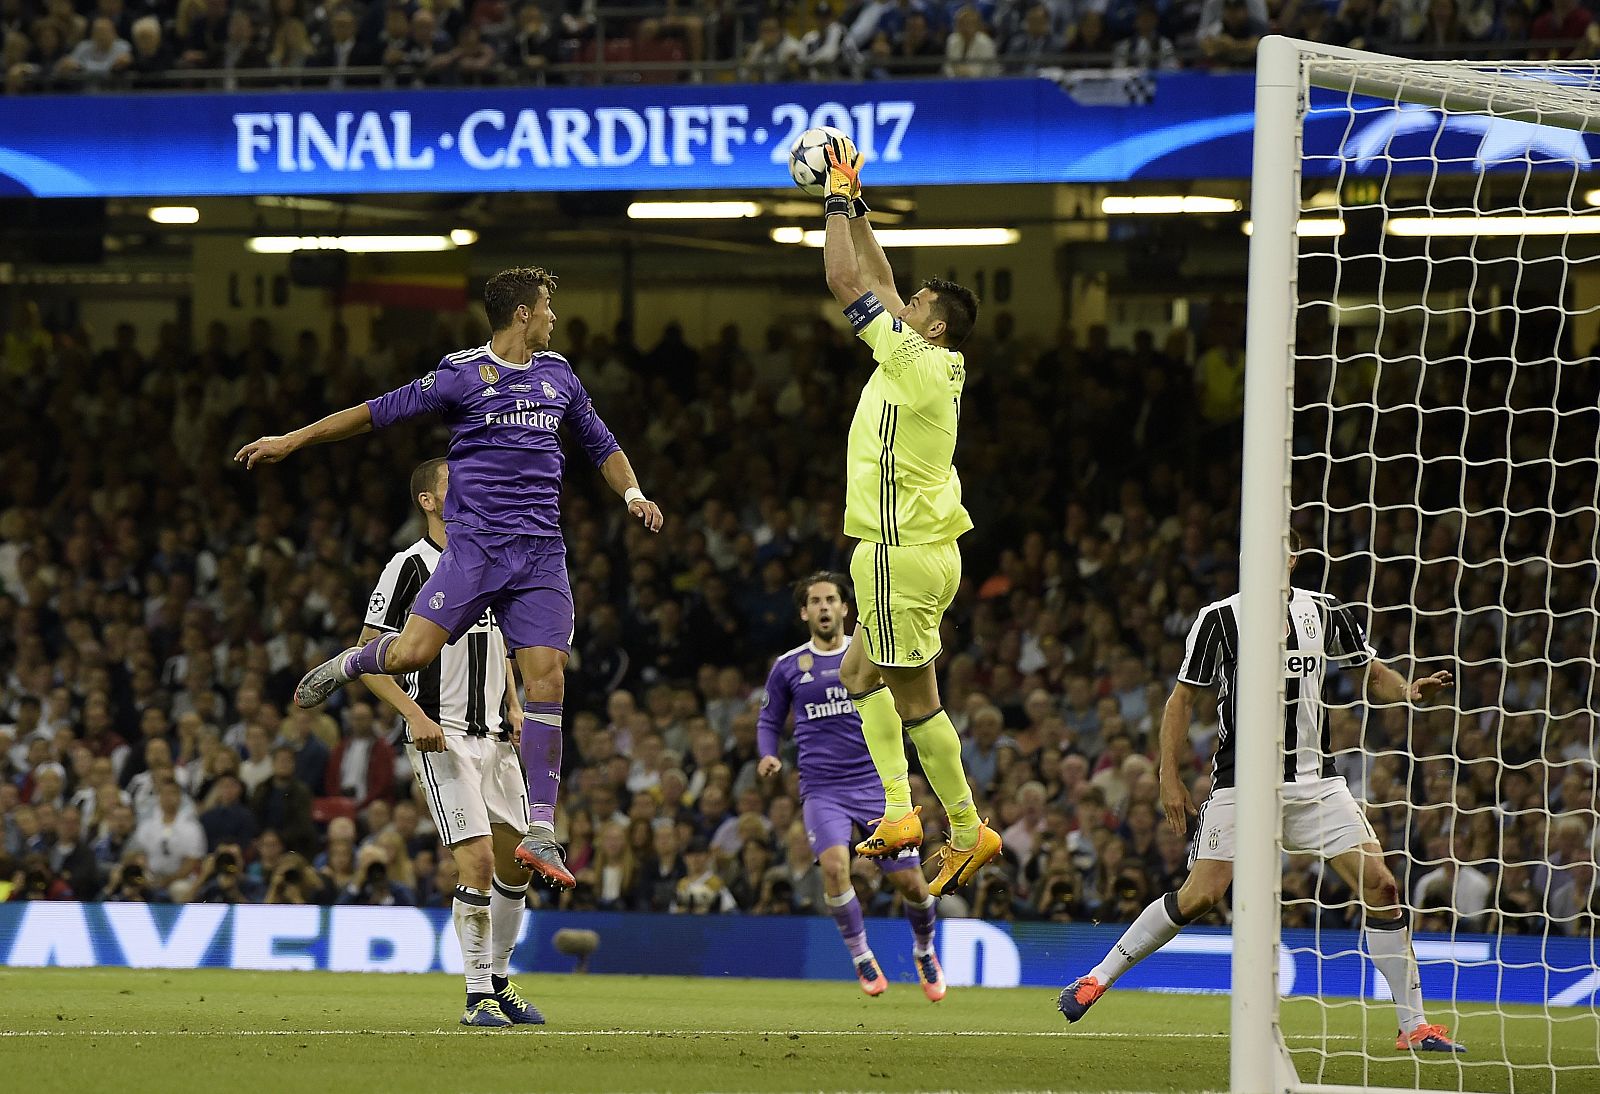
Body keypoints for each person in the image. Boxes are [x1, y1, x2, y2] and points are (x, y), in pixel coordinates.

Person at [235, 266, 662, 895]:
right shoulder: (462, 374)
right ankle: (356, 661)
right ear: (522, 313)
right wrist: (293, 441)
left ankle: (541, 826)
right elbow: (374, 414)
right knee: (411, 653)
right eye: (547, 307)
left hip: (540, 554)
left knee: (548, 678)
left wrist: (632, 493)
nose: (552, 317)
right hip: (476, 550)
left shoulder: (560, 376)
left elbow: (601, 444)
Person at [1058, 532, 1466, 1055]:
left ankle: (1414, 1027)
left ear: (1293, 558)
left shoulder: (1325, 612)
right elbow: (1182, 700)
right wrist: (1169, 775)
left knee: (1383, 885)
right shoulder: (1220, 618)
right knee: (1202, 895)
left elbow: (1369, 669)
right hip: (1240, 785)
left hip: (1317, 785)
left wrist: (1407, 689)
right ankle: (1097, 978)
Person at [816, 139, 1001, 896]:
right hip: (917, 549)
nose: (905, 304)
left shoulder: (916, 362)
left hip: (899, 552)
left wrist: (830, 200)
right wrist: (861, 204)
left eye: (918, 307)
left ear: (934, 329)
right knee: (858, 674)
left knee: (916, 699)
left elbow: (843, 278)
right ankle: (902, 811)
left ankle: (961, 826)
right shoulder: (930, 357)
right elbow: (883, 279)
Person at [356, 457, 542, 1028]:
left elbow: (505, 645)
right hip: (443, 737)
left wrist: (513, 704)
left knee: (519, 865)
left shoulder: (488, 564)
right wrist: (414, 714)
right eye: (452, 484)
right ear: (430, 502)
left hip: (496, 737)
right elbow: (368, 656)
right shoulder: (409, 567)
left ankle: (501, 982)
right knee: (480, 859)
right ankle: (476, 993)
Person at [757, 572, 945, 1000]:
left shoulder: (872, 658)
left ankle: (925, 951)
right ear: (804, 612)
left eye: (831, 600)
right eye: (815, 601)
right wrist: (768, 753)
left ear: (846, 609)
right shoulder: (789, 666)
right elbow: (769, 719)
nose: (824, 607)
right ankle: (861, 955)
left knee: (913, 886)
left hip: (879, 787)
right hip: (823, 790)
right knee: (836, 868)